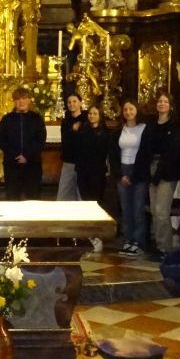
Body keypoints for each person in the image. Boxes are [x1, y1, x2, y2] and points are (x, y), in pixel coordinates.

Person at [113, 99, 151, 257]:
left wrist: (133, 175)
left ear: (137, 110)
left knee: (138, 208)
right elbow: (113, 153)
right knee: (126, 208)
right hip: (123, 169)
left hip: (138, 171)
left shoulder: (144, 128)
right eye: (125, 109)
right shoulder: (119, 130)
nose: (128, 112)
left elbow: (145, 153)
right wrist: (121, 174)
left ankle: (139, 242)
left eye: (131, 109)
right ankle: (128, 239)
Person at [0, 87, 47, 200]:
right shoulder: (7, 119)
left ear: (29, 100)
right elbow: (1, 140)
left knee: (33, 198)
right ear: (14, 101)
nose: (21, 101)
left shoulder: (37, 119)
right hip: (12, 165)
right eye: (18, 99)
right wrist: (16, 155)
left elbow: (40, 140)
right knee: (12, 198)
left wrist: (27, 156)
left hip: (32, 164)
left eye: (24, 98)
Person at [148, 92, 180, 254]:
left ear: (170, 106)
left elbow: (172, 152)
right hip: (152, 167)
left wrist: (158, 174)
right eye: (159, 101)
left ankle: (165, 248)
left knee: (162, 211)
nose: (162, 104)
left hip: (167, 171)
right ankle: (157, 243)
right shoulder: (152, 125)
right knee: (154, 210)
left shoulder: (174, 126)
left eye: (165, 101)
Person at [76, 105, 109, 253]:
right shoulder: (83, 131)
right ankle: (88, 235)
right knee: (85, 203)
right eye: (90, 113)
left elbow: (105, 152)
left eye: (95, 113)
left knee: (96, 203)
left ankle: (97, 235)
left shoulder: (105, 133)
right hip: (83, 172)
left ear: (100, 116)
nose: (92, 116)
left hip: (97, 172)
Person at [57, 94, 86, 201]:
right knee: (63, 194)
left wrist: (73, 132)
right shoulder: (65, 121)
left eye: (74, 101)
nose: (71, 104)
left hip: (83, 162)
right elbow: (65, 141)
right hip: (69, 161)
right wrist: (73, 130)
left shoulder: (86, 119)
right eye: (69, 102)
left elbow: (84, 139)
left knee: (81, 194)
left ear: (80, 103)